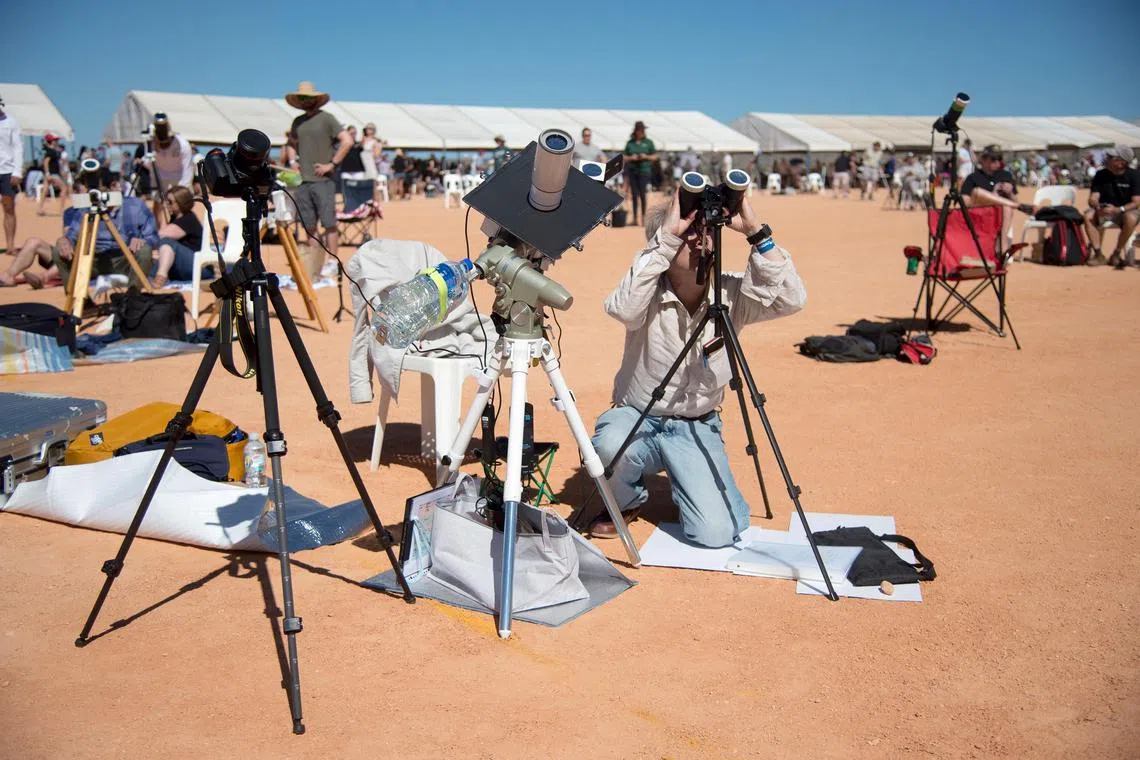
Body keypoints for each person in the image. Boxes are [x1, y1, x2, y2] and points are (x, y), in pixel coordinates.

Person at [588, 188, 807, 546]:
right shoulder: (646, 292)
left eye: (705, 231)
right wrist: (665, 239)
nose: (699, 240)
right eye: (687, 232)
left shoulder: (732, 295)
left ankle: (688, 479)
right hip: (638, 416)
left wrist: (757, 234)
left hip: (695, 425)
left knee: (717, 533)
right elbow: (622, 309)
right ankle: (627, 500)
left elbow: (792, 299)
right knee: (608, 445)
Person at [285, 81, 353, 282]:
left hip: (323, 180)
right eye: (302, 98)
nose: (306, 102)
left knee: (329, 223)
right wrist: (292, 161)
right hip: (303, 180)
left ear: (316, 99)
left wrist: (332, 164)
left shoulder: (327, 119)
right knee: (309, 225)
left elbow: (347, 140)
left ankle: (332, 263)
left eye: (308, 98)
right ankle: (315, 263)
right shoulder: (297, 122)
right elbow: (290, 144)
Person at [49, 173, 157, 289]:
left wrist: (142, 240)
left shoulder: (136, 205)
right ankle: (81, 302)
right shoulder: (87, 206)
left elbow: (154, 238)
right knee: (57, 251)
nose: (98, 197)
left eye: (101, 191)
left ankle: (133, 297)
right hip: (93, 261)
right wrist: (64, 240)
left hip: (124, 259)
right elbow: (71, 236)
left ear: (114, 187)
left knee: (145, 250)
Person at [960, 145, 1036, 245]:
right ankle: (1018, 207)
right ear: (984, 159)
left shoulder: (1005, 175)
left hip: (999, 215)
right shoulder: (973, 178)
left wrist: (1010, 193)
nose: (997, 162)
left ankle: (1002, 243)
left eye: (999, 159)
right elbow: (965, 203)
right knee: (977, 192)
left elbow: (1014, 200)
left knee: (1007, 208)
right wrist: (992, 195)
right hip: (978, 214)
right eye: (993, 159)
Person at [1083, 145, 1139, 268]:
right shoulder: (1101, 174)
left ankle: (1117, 254)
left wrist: (1118, 209)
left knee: (1132, 217)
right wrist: (1096, 205)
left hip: (1124, 212)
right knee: (1088, 215)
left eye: (1110, 157)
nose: (1106, 158)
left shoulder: (1134, 175)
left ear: (1121, 162)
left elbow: (1136, 202)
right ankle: (1098, 254)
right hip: (1104, 211)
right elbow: (1093, 197)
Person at [150, 185, 203, 286]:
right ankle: (150, 279)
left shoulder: (188, 219)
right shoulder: (175, 218)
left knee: (167, 242)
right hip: (183, 267)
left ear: (181, 202)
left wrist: (160, 211)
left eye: (170, 202)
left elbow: (160, 236)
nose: (166, 204)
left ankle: (160, 278)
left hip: (198, 268)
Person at [0, 94, 22, 254]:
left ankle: (10, 245)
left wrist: (17, 171)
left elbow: (18, 147)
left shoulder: (10, 121)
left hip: (7, 172)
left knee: (8, 208)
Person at [624, 121, 656, 227]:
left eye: (642, 130)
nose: (641, 132)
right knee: (634, 194)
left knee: (642, 194)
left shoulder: (648, 142)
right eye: (640, 130)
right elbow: (624, 157)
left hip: (644, 171)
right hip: (633, 170)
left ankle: (643, 218)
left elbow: (655, 156)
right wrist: (631, 157)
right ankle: (634, 219)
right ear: (636, 131)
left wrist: (645, 157)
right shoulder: (630, 143)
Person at [36, 134, 68, 217]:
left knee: (45, 191)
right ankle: (61, 210)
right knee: (64, 188)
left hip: (51, 174)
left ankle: (40, 209)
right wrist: (47, 173)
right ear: (52, 141)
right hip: (52, 174)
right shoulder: (50, 151)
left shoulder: (51, 150)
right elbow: (46, 162)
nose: (57, 142)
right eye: (55, 140)